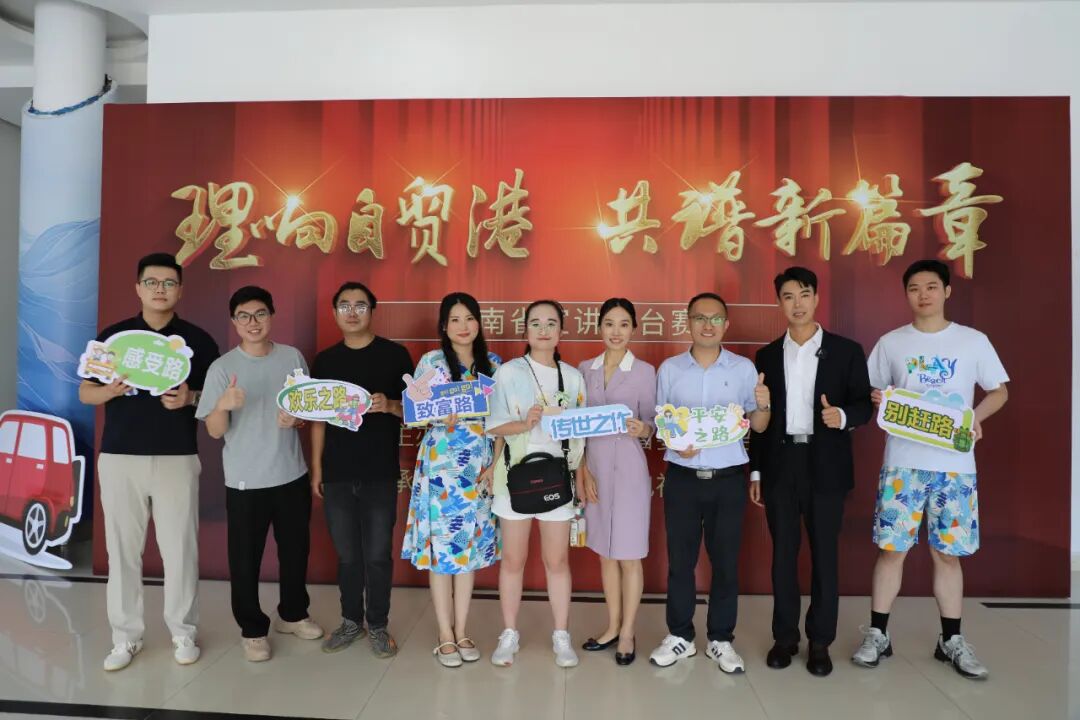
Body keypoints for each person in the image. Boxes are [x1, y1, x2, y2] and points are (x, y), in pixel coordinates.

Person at [851, 259, 1008, 680]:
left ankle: (951, 640)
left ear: (946, 291)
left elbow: (999, 392)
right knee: (892, 551)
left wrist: (974, 418)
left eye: (932, 287)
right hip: (902, 464)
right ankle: (878, 635)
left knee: (947, 555)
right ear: (906, 294)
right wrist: (878, 398)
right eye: (915, 288)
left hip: (955, 467)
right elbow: (870, 390)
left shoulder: (972, 341)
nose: (923, 295)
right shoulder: (891, 343)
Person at [80, 253, 219, 672]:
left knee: (181, 550)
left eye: (169, 283)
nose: (161, 289)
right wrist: (110, 391)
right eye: (152, 282)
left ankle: (183, 632)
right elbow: (86, 392)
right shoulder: (115, 338)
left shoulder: (199, 341)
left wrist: (190, 398)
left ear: (180, 289)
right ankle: (125, 638)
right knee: (122, 550)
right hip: (120, 457)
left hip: (178, 457)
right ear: (138, 288)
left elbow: (215, 401)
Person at [749, 266, 873, 677]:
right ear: (779, 303)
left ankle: (820, 641)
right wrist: (756, 472)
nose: (797, 303)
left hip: (826, 465)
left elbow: (863, 403)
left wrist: (843, 416)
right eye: (788, 296)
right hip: (781, 463)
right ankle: (784, 638)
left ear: (817, 298)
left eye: (804, 294)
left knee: (825, 555)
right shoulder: (767, 355)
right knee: (782, 555)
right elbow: (760, 418)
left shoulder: (846, 350)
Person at [196, 286, 324, 662]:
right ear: (234, 322)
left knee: (295, 552)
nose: (253, 322)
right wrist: (223, 404)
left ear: (272, 316)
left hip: (291, 473)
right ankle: (252, 629)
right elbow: (214, 430)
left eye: (260, 314)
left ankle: (293, 614)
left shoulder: (292, 357)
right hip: (245, 481)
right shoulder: (222, 368)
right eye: (244, 316)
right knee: (245, 559)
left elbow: (305, 410)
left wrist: (296, 419)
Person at [649, 292, 770, 673]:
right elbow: (661, 424)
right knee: (680, 562)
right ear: (687, 322)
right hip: (682, 479)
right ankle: (680, 636)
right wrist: (674, 443)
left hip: (727, 479)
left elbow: (759, 426)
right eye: (700, 318)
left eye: (715, 318)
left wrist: (763, 403)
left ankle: (720, 639)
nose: (707, 325)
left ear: (726, 324)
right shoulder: (670, 369)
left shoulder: (743, 369)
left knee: (726, 563)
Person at [310, 282, 413, 658]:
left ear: (373, 310)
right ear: (334, 312)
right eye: (344, 305)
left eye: (360, 305)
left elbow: (417, 411)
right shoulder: (325, 361)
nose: (352, 312)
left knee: (378, 555)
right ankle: (351, 621)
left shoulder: (395, 355)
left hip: (379, 472)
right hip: (337, 472)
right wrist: (317, 469)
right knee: (348, 556)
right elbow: (318, 420)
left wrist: (391, 406)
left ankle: (379, 625)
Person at [401, 292, 503, 667]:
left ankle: (462, 630)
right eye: (455, 320)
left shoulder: (493, 365)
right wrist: (435, 414)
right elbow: (413, 412)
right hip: (441, 465)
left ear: (479, 323)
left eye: (469, 318)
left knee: (467, 550)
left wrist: (494, 467)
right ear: (444, 326)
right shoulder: (432, 362)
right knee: (443, 552)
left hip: (479, 466)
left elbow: (502, 422)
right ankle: (445, 634)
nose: (463, 326)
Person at [485, 299, 587, 668]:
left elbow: (581, 433)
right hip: (513, 476)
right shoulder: (509, 372)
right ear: (525, 330)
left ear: (562, 331)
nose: (543, 330)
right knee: (513, 560)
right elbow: (493, 425)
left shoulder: (572, 377)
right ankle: (509, 633)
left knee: (556, 561)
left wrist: (581, 474)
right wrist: (525, 423)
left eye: (551, 323)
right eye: (536, 323)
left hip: (557, 477)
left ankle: (561, 635)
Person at [575, 298, 656, 666]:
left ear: (634, 329)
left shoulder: (644, 371)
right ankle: (611, 626)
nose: (616, 331)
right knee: (605, 553)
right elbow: (576, 427)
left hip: (629, 471)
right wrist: (582, 470)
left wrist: (644, 429)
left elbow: (654, 423)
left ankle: (628, 632)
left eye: (624, 324)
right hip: (593, 469)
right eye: (609, 323)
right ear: (599, 328)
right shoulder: (584, 370)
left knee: (629, 555)